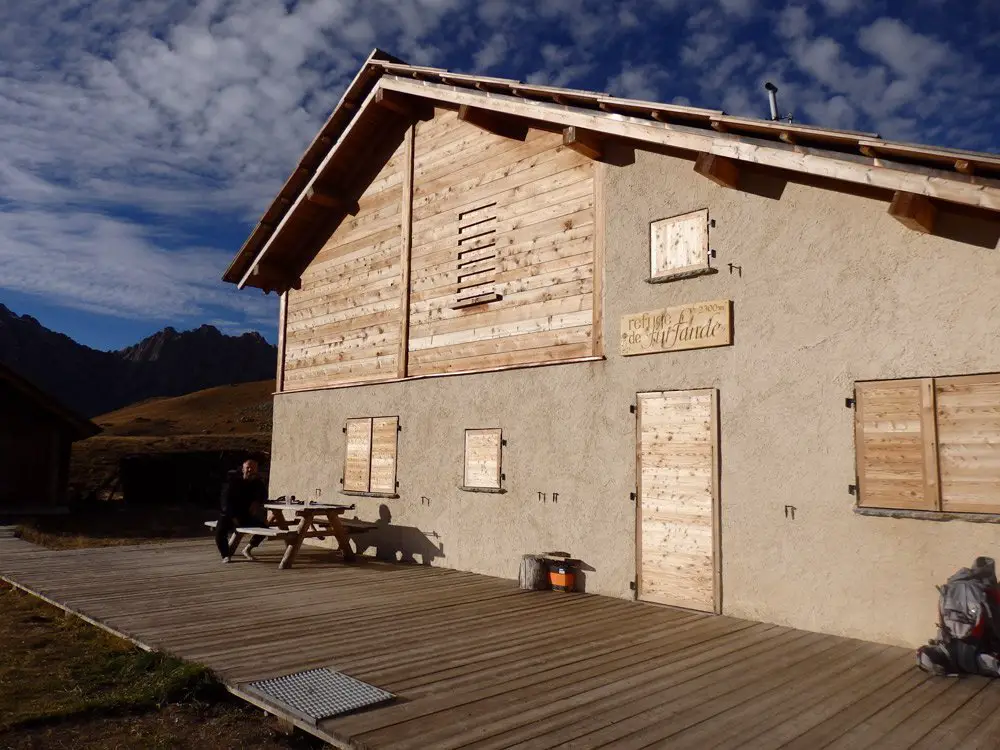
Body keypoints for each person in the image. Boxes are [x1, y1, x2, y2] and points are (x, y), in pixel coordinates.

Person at [214, 459, 268, 563]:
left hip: (244, 516)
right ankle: (225, 555)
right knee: (220, 533)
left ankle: (248, 549)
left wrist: (257, 501)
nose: (250, 470)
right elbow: (225, 501)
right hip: (229, 515)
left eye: (252, 468)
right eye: (247, 467)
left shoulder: (257, 483)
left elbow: (264, 495)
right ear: (243, 469)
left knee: (265, 528)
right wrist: (233, 517)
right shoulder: (233, 482)